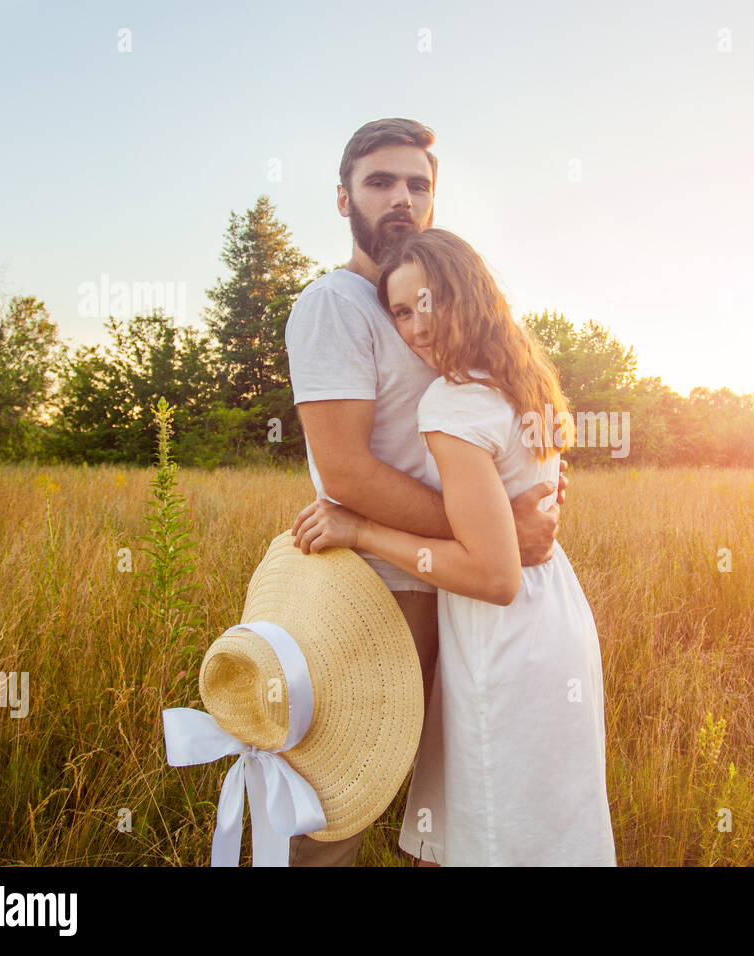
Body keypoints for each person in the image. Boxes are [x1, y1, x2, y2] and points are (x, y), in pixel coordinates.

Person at [284, 118, 568, 867]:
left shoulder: (431, 301)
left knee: (451, 803)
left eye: (418, 184)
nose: (401, 198)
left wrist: (525, 497)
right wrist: (494, 532)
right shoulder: (334, 307)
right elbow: (345, 472)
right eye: (379, 182)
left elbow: (503, 426)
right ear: (343, 199)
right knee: (335, 799)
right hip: (380, 589)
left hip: (453, 588)